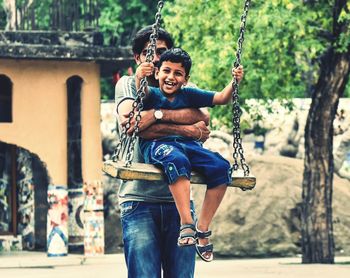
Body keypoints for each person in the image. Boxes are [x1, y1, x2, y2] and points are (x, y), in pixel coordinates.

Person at [115, 26, 210, 277]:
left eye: (162, 51)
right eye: (148, 53)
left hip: (178, 206)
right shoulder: (128, 85)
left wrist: (156, 115)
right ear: (137, 59)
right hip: (139, 202)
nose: (156, 58)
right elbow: (131, 122)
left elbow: (203, 117)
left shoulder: (182, 85)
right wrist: (186, 128)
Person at [135, 47, 244, 262]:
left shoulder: (190, 95)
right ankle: (186, 223)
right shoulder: (152, 93)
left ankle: (202, 228)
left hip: (189, 145)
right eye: (166, 71)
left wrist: (234, 82)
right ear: (157, 73)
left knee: (221, 167)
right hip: (158, 145)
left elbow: (222, 98)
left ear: (186, 79)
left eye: (178, 73)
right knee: (177, 160)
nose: (171, 77)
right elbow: (142, 90)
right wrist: (140, 74)